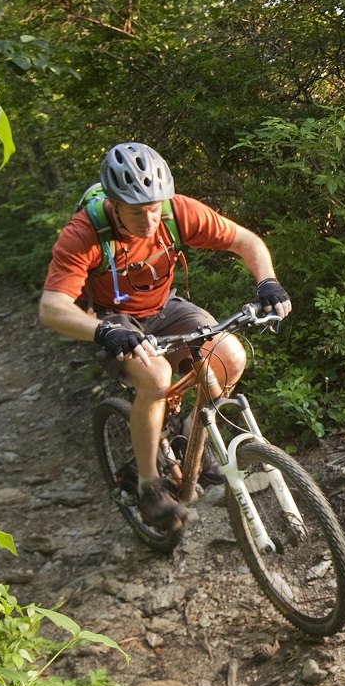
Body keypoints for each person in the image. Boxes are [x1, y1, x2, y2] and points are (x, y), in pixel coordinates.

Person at [38, 142, 292, 528]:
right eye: (137, 212)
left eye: (154, 207)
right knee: (156, 378)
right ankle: (149, 485)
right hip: (114, 319)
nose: (150, 220)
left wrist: (268, 282)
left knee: (231, 357)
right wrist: (103, 330)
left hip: (165, 307)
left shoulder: (176, 212)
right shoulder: (84, 233)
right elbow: (52, 307)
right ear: (113, 203)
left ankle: (191, 439)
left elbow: (246, 241)